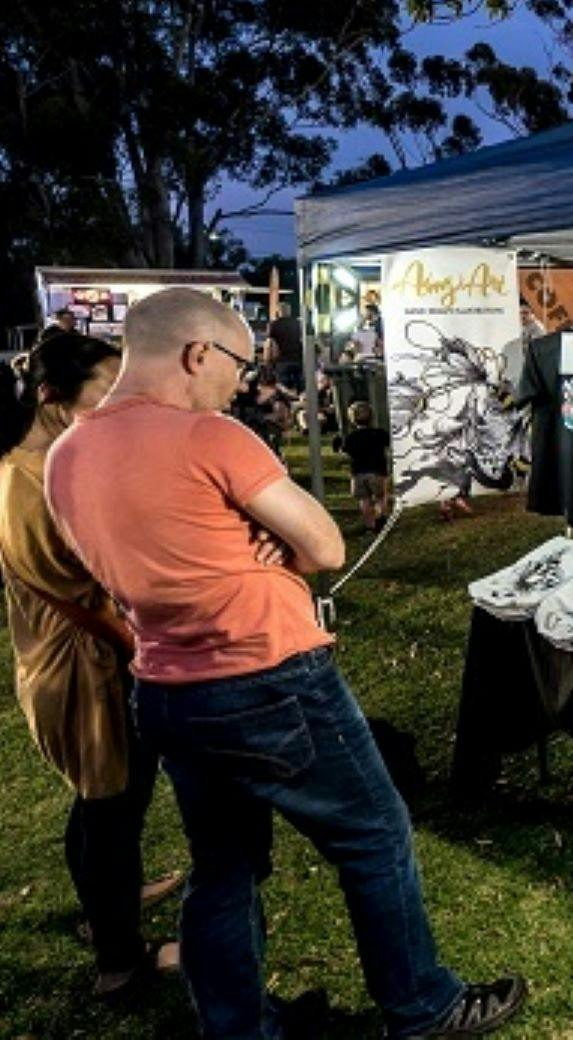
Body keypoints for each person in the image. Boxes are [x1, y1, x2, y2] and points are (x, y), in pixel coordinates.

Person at [44, 289, 525, 1039]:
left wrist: (245, 541)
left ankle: (237, 1026)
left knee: (224, 864)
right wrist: (271, 544)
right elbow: (327, 547)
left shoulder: (66, 456)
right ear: (197, 354)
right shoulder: (211, 436)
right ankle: (422, 1005)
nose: (244, 380)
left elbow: (125, 561)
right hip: (266, 674)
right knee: (374, 834)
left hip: (168, 686)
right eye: (238, 362)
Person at [0, 331, 183, 999]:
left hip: (92, 654)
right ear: (52, 395)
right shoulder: (27, 475)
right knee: (109, 805)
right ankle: (120, 960)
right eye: (105, 389)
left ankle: (113, 906)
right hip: (83, 665)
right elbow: (75, 598)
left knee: (108, 801)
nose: (118, 401)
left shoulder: (59, 458)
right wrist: (147, 649)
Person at [336, 400, 392, 532]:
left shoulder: (351, 437)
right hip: (377, 471)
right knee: (380, 497)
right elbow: (389, 446)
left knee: (364, 499)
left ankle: (369, 524)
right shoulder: (380, 434)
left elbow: (344, 455)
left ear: (352, 419)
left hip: (358, 473)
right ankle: (381, 517)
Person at [263, 303, 304, 391]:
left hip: (282, 360)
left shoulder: (274, 325)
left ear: (279, 311)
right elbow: (303, 340)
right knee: (300, 387)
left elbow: (270, 344)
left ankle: (286, 403)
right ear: (289, 311)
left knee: (283, 389)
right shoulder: (298, 324)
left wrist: (267, 361)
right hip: (298, 359)